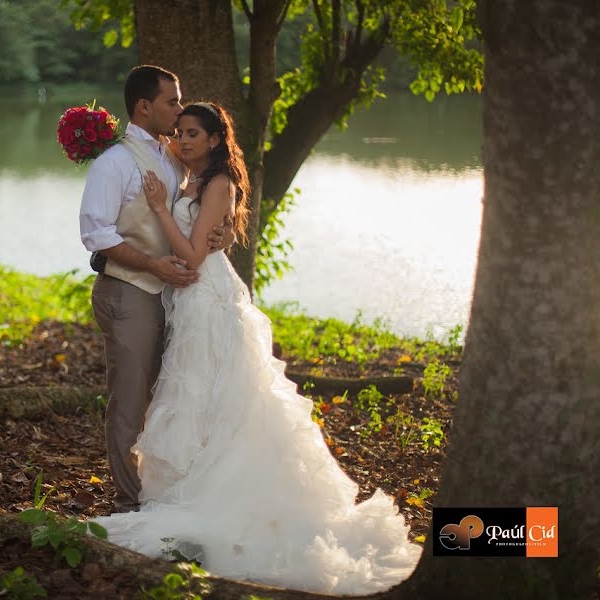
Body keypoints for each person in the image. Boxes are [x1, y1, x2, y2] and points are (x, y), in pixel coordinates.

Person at [91, 101, 423, 595]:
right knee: (196, 394)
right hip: (188, 302)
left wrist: (162, 208)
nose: (182, 141)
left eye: (192, 134)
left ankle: (223, 491)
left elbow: (193, 256)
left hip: (205, 299)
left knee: (217, 393)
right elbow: (151, 155)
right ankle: (188, 480)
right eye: (178, 132)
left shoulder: (218, 182)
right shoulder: (189, 175)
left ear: (214, 140)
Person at [79, 66, 235, 514]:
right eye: (172, 101)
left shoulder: (174, 155)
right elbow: (96, 234)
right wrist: (153, 266)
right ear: (144, 107)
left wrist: (219, 235)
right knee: (129, 401)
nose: (180, 110)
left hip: (178, 299)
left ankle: (168, 488)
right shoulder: (115, 162)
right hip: (130, 292)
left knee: (172, 397)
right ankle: (131, 503)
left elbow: (208, 200)